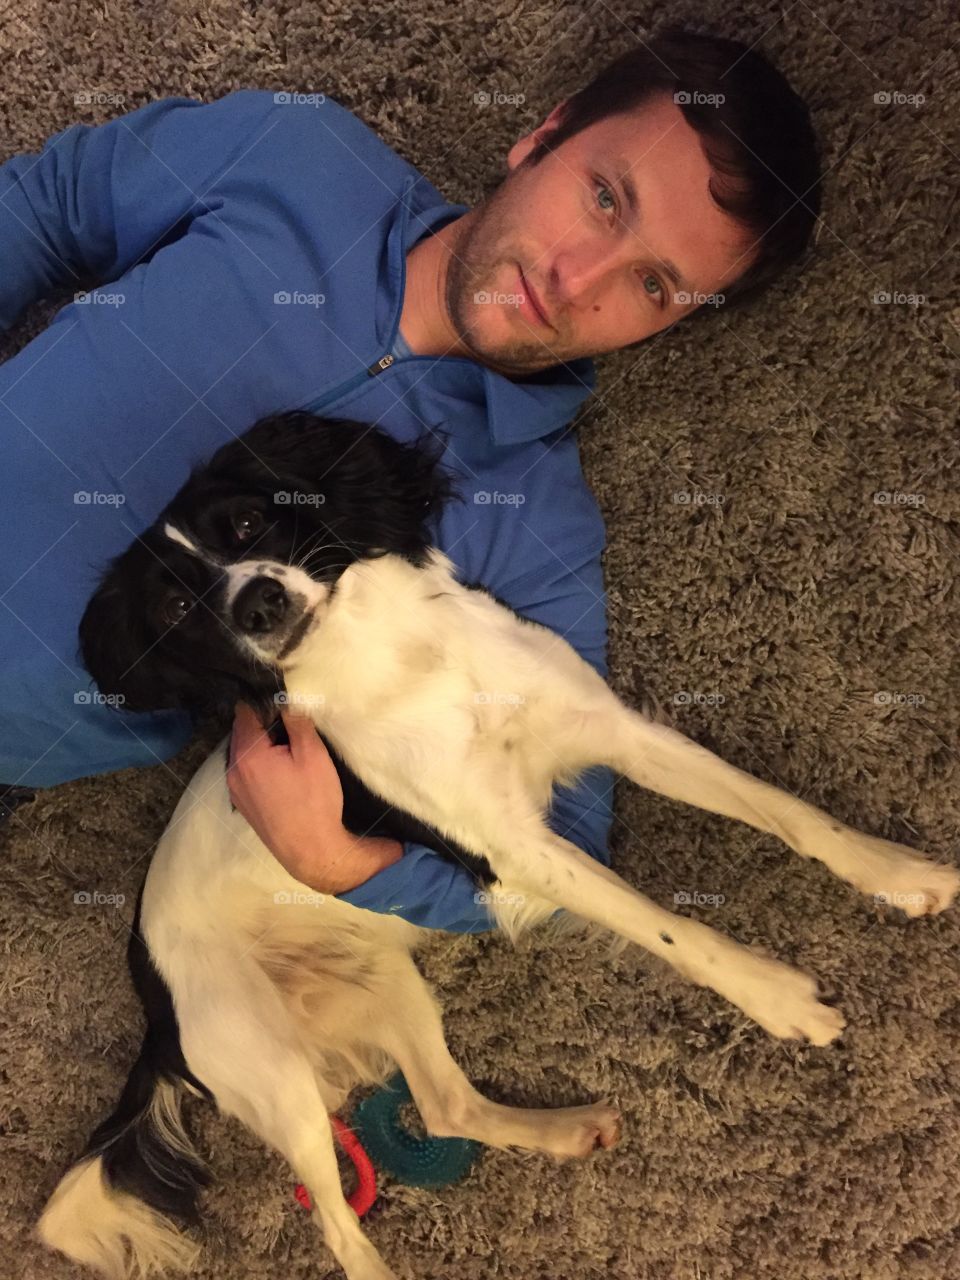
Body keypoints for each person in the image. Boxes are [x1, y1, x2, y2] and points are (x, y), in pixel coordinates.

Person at [0, 27, 820, 931]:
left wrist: (341, 863)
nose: (576, 277)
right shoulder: (298, 156)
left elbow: (566, 856)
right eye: (603, 199)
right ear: (542, 137)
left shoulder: (533, 523)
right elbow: (51, 206)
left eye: (653, 285)